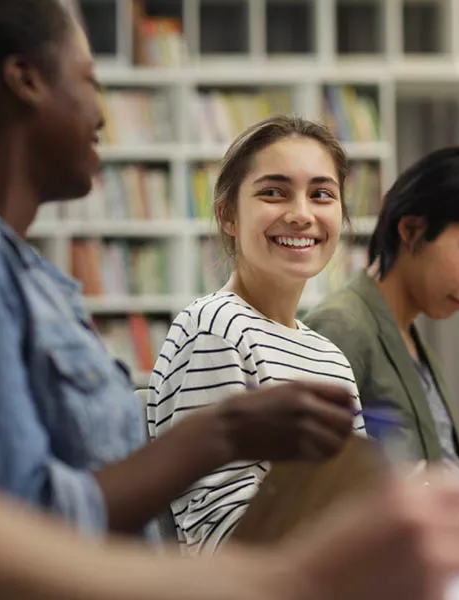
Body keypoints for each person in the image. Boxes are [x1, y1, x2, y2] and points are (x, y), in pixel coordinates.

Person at [0, 0, 357, 540]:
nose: (103, 114)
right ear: (26, 81)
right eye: (89, 80)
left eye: (323, 194)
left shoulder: (27, 276)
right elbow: (17, 525)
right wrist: (220, 434)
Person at [148, 115, 368, 555]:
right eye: (273, 192)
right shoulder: (214, 329)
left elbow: (358, 502)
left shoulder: (328, 356)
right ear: (227, 215)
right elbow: (220, 540)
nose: (302, 215)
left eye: (321, 194)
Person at [303, 146, 459, 500]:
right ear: (411, 230)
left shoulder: (408, 334)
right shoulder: (342, 327)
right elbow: (315, 485)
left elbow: (407, 467)